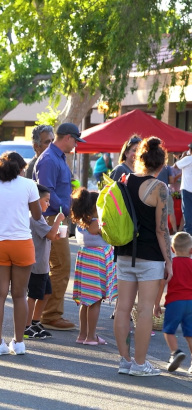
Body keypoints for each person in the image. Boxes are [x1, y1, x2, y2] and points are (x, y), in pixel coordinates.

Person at [113, 137, 172, 376]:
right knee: (146, 309)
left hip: (125, 253)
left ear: (140, 159)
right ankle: (139, 364)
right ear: (162, 164)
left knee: (123, 308)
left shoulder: (124, 180)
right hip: (150, 257)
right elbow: (162, 229)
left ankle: (125, 361)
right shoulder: (159, 188)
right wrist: (169, 260)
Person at [0, 152, 42, 355]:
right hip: (22, 242)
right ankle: (19, 342)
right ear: (21, 167)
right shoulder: (29, 185)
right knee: (20, 295)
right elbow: (38, 214)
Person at [34, 122, 85, 331]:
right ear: (67, 138)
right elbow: (46, 191)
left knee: (56, 266)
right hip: (51, 217)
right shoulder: (49, 159)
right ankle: (50, 314)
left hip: (55, 217)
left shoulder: (56, 158)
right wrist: (66, 208)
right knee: (61, 266)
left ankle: (48, 313)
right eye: (75, 140)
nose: (75, 145)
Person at [70, 187, 114, 345]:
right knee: (95, 301)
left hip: (86, 261)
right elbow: (110, 234)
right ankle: (91, 336)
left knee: (85, 301)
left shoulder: (81, 222)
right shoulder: (96, 224)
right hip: (96, 263)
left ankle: (83, 335)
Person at [24, 184, 64, 340]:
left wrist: (55, 232)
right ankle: (26, 326)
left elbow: (51, 235)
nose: (49, 204)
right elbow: (49, 234)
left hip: (43, 265)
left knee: (46, 293)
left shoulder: (39, 217)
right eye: (46, 201)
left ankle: (35, 321)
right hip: (36, 265)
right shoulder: (35, 217)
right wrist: (58, 220)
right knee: (33, 296)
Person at [162, 231, 192, 373]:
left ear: (172, 250)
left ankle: (175, 352)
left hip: (175, 302)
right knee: (190, 333)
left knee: (169, 330)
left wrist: (157, 304)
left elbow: (162, 284)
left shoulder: (170, 264)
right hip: (190, 302)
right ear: (191, 250)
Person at [174, 144, 192, 234]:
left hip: (187, 189)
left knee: (187, 213)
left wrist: (183, 157)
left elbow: (175, 166)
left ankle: (189, 235)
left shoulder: (188, 159)